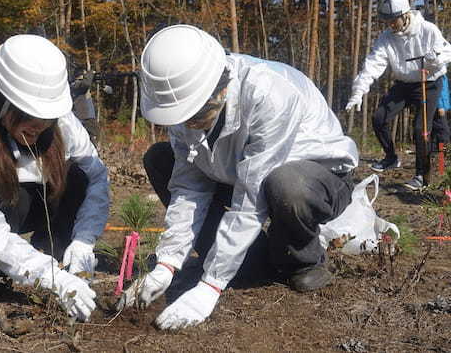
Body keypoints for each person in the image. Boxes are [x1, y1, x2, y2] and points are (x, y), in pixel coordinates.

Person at [118, 25, 359, 330]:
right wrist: (167, 263)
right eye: (182, 117)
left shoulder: (268, 94)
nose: (189, 124)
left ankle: (301, 259)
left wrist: (211, 285)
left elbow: (252, 193)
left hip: (315, 174)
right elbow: (189, 186)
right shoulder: (184, 104)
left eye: (196, 114)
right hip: (238, 170)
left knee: (286, 185)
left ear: (221, 87)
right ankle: (249, 262)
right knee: (160, 158)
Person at [0, 35, 109, 322]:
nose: (39, 125)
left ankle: (55, 252)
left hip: (29, 199)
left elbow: (97, 176)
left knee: (78, 178)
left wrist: (84, 240)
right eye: (28, 114)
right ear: (3, 105)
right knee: (14, 197)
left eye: (45, 117)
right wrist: (49, 277)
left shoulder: (62, 122)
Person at [346, 0, 451, 190]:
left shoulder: (427, 30)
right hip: (404, 83)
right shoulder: (386, 38)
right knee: (379, 117)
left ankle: (422, 175)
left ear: (406, 15)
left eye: (394, 20)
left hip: (428, 82)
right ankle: (391, 157)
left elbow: (447, 52)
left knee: (421, 129)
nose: (390, 25)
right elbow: (372, 65)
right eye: (387, 21)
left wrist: (435, 58)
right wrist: (358, 91)